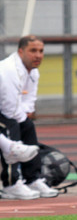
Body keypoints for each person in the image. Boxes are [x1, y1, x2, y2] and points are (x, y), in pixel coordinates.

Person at [0, 35, 58, 200]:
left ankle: (32, 179)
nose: (38, 55)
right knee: (11, 125)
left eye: (41, 51)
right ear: (20, 52)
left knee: (27, 125)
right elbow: (9, 109)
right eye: (33, 51)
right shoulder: (9, 71)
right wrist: (21, 118)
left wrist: (24, 117)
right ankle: (11, 183)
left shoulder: (33, 72)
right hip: (5, 111)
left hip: (6, 111)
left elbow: (28, 102)